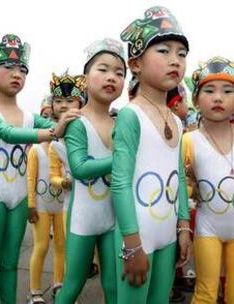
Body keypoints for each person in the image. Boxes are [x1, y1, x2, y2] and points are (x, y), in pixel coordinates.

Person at [0, 34, 80, 304]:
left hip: (19, 196)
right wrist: (55, 130)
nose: (16, 74)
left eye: (22, 69)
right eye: (7, 67)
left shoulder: (32, 118)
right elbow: (7, 134)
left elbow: (63, 124)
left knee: (9, 265)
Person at [112, 6, 191, 303]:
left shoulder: (177, 120)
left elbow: (179, 177)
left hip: (168, 235)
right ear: (136, 63)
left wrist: (184, 225)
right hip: (137, 236)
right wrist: (132, 245)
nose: (175, 60)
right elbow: (120, 183)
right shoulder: (131, 116)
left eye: (181, 54)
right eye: (163, 51)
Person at [183, 56, 234, 303]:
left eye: (228, 91)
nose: (218, 97)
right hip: (208, 228)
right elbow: (180, 186)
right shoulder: (189, 141)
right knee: (206, 293)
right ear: (196, 100)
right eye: (209, 90)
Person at [55, 38, 126, 304]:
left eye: (119, 73)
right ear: (85, 78)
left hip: (112, 216)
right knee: (72, 285)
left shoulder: (121, 122)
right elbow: (80, 168)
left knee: (113, 285)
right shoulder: (76, 122)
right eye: (103, 69)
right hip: (83, 218)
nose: (111, 78)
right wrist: (121, 159)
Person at [27, 71, 85, 303]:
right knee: (41, 247)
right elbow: (31, 179)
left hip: (64, 205)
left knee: (63, 247)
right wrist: (30, 204)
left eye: (69, 101)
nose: (59, 110)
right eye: (55, 104)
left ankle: (60, 285)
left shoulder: (76, 138)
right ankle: (34, 291)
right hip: (41, 205)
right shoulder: (37, 149)